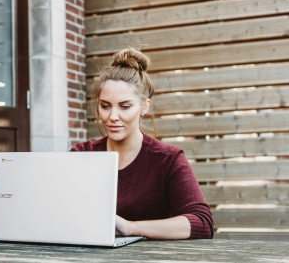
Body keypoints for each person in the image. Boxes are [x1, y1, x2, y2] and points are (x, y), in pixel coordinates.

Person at [71, 47, 213, 240]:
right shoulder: (82, 154)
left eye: (125, 106)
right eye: (105, 106)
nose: (112, 117)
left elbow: (202, 223)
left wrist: (131, 228)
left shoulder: (168, 159)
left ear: (144, 107)